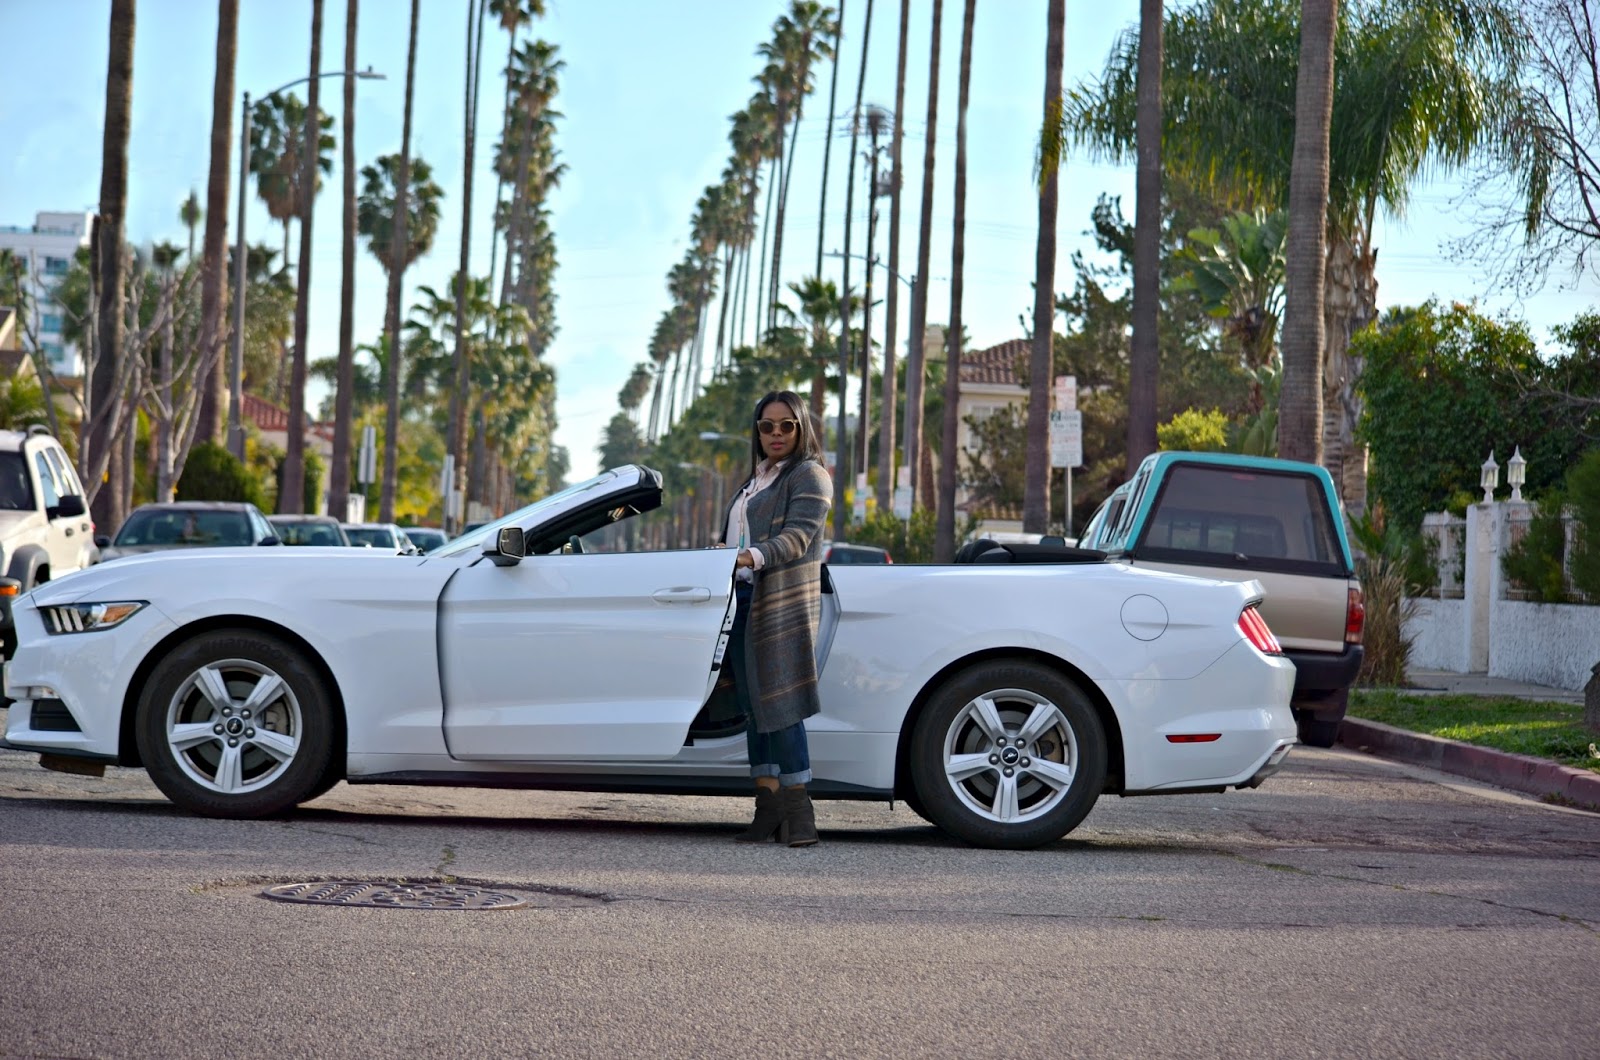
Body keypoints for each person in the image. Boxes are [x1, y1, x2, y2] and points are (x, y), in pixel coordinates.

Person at [718, 390, 833, 847]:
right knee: (753, 709)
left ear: (801, 428)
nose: (777, 434)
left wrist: (750, 556)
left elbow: (798, 538)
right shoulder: (756, 479)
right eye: (768, 426)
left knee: (782, 707)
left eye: (787, 425)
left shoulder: (810, 475)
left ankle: (800, 812)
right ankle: (766, 808)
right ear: (758, 431)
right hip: (743, 600)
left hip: (781, 603)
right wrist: (726, 557)